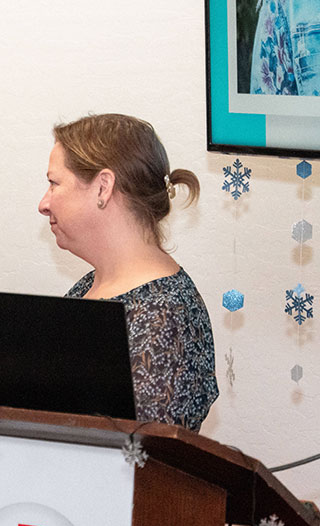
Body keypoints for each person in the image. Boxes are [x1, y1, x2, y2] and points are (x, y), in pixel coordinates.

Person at [38, 113, 218, 432]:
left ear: (103, 188)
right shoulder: (88, 286)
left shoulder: (166, 319)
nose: (44, 203)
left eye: (54, 183)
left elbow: (149, 465)